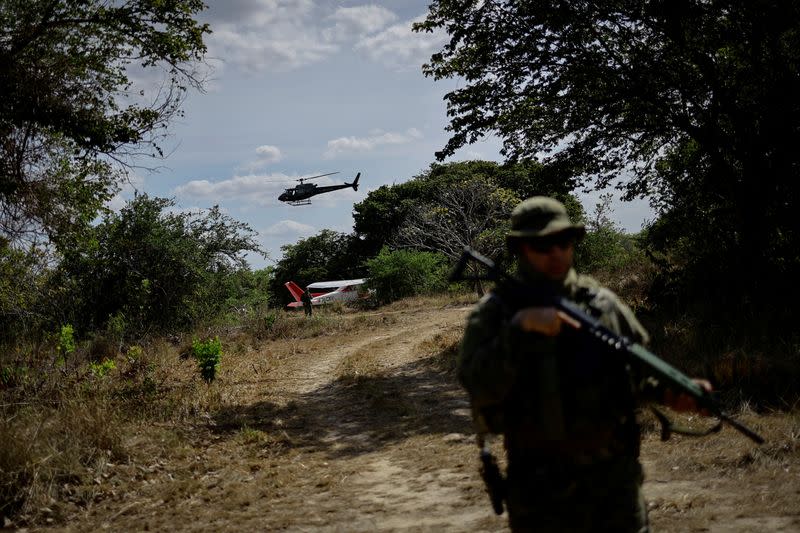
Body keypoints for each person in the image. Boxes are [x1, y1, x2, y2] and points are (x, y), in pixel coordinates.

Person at [459, 196, 710, 533]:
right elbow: (478, 385)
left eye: (564, 242)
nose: (556, 253)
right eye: (544, 244)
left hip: (613, 480)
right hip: (539, 487)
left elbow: (636, 375)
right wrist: (519, 331)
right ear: (520, 248)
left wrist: (670, 394)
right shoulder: (496, 313)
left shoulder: (602, 305)